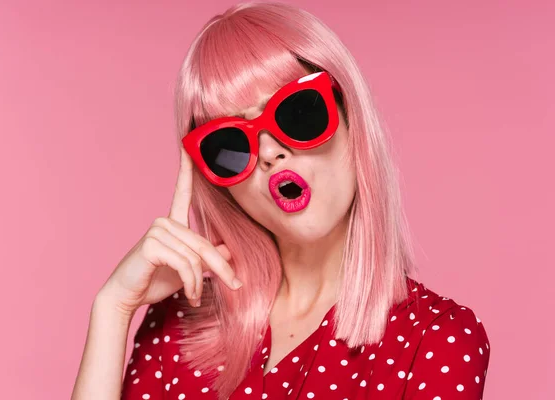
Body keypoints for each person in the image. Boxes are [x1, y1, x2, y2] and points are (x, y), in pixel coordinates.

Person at [71, 2, 490, 399]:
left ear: (353, 122)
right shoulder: (178, 321)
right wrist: (112, 309)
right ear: (220, 184)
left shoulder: (437, 339)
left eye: (298, 113)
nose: (270, 152)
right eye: (230, 143)